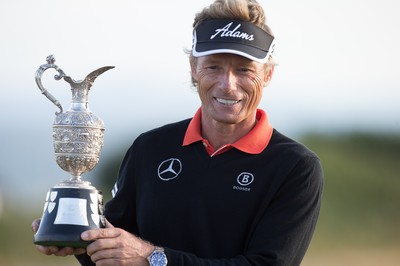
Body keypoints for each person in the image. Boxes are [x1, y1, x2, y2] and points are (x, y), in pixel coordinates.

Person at [32, 0, 323, 265]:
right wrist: (75, 238)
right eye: (214, 67)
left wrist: (154, 259)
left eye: (244, 70)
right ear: (194, 68)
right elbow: (117, 254)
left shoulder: (295, 166)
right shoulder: (150, 148)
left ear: (267, 74)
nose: (228, 85)